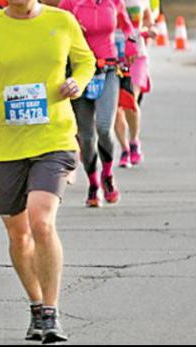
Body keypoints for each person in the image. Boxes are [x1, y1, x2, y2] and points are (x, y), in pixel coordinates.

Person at [0, 0, 96, 343]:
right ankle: (36, 306)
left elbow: (86, 60)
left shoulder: (62, 21)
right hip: (7, 145)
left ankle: (51, 311)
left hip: (55, 137)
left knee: (41, 220)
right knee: (19, 236)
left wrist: (77, 81)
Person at [59, 0, 137, 207]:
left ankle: (108, 176)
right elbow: (55, 28)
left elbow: (128, 27)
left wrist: (131, 44)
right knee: (85, 136)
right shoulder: (69, 3)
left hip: (108, 70)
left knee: (104, 126)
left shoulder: (114, 2)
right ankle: (93, 184)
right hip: (79, 73)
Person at [114, 0, 155, 168]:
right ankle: (124, 149)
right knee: (116, 107)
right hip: (113, 55)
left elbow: (148, 22)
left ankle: (134, 141)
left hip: (137, 55)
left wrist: (149, 31)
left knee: (130, 100)